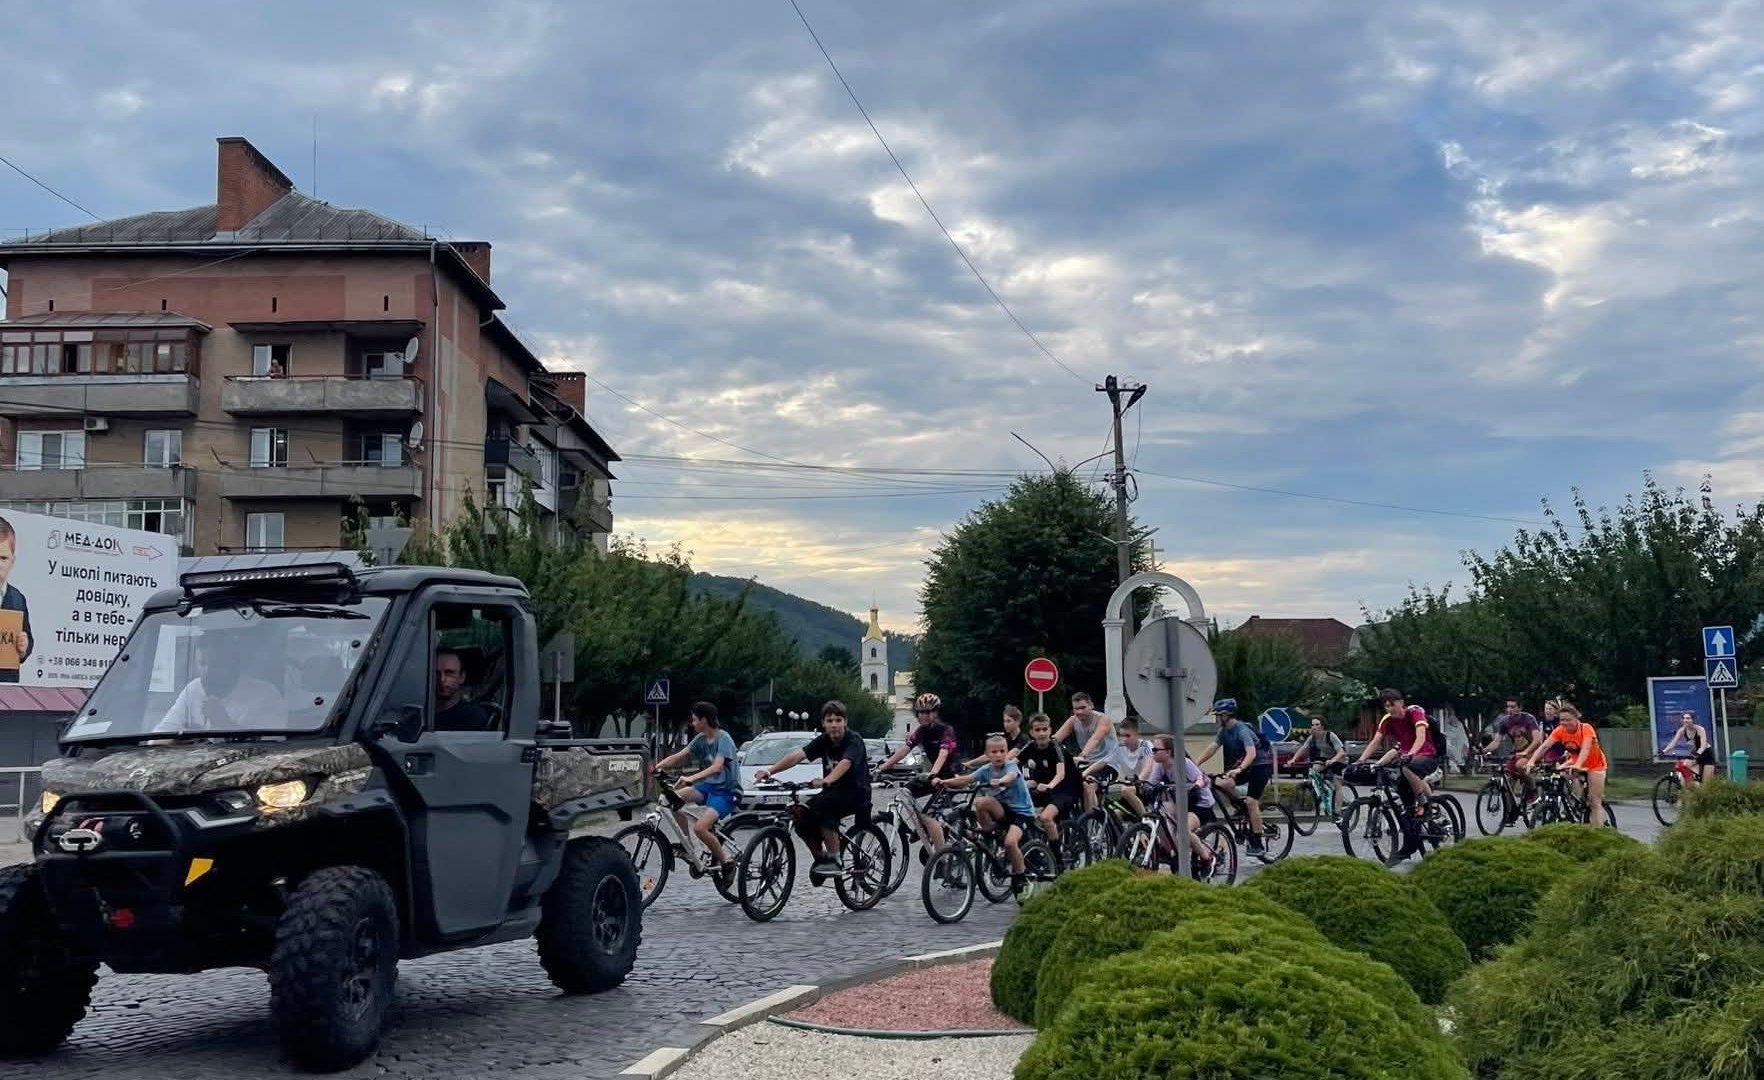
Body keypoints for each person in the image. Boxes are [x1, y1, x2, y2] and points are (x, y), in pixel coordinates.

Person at [757, 700, 871, 878]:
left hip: (856, 792)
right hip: (832, 791)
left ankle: (835, 859)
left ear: (845, 722)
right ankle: (821, 857)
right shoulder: (823, 741)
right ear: (823, 723)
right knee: (800, 814)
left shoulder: (853, 740)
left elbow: (846, 763)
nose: (834, 725)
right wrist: (769, 771)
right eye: (830, 721)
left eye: (838, 720)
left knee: (825, 806)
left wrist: (826, 780)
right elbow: (796, 756)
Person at [650, 701, 741, 878]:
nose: (692, 723)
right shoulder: (700, 739)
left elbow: (717, 767)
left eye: (694, 719)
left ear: (704, 720)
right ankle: (687, 846)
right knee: (671, 799)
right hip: (709, 787)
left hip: (727, 792)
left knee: (700, 829)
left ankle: (726, 862)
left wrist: (691, 778)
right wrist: (657, 767)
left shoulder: (724, 739)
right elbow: (679, 756)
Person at [935, 733, 1034, 894]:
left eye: (1002, 751)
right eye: (994, 752)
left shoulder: (1010, 766)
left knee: (1010, 843)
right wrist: (944, 782)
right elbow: (966, 779)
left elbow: (1011, 776)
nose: (999, 755)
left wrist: (1001, 781)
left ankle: (1021, 877)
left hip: (1021, 813)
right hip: (1002, 809)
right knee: (980, 802)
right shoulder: (986, 769)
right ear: (987, 755)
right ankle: (990, 833)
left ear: (1006, 752)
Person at [1357, 689, 1438, 855]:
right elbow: (1375, 742)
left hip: (1427, 755)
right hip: (1407, 757)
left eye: (1392, 704)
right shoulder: (1387, 720)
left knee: (1408, 767)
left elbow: (1421, 737)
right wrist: (1361, 760)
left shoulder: (1414, 713)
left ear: (1401, 703)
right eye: (1386, 706)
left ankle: (1424, 803)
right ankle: (1410, 844)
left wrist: (1411, 754)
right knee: (1405, 802)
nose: (1389, 709)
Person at [878, 691, 959, 857]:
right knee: (905, 791)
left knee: (929, 817)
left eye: (928, 712)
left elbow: (943, 754)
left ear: (935, 713)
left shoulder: (946, 730)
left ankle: (941, 858)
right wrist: (883, 767)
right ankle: (920, 827)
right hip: (933, 777)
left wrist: (933, 773)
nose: (923, 716)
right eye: (920, 712)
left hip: (950, 778)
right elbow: (904, 749)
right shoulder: (921, 731)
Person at [155, 634, 288, 732]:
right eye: (202, 664)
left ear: (233, 663)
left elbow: (274, 745)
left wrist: (224, 722)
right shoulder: (192, 690)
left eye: (216, 665)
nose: (207, 673)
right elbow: (161, 733)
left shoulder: (266, 695)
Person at [1193, 697, 1271, 855]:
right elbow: (1212, 748)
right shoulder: (1223, 731)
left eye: (1217, 716)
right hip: (1245, 766)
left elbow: (1251, 753)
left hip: (1260, 766)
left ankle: (1257, 843)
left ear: (1225, 715)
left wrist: (1239, 769)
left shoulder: (1241, 730)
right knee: (1223, 783)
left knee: (1251, 802)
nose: (1215, 719)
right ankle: (1242, 808)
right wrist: (1194, 764)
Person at [1142, 735, 1217, 875]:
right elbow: (1151, 783)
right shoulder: (1160, 765)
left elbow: (1202, 778)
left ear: (1168, 752)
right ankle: (1174, 853)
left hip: (1200, 805)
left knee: (1182, 831)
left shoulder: (1184, 763)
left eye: (1156, 749)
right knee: (1161, 818)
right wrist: (1143, 787)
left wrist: (1196, 785)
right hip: (1180, 803)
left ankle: (1206, 859)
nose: (1153, 752)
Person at [1525, 703, 1609, 827]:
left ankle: (1598, 830)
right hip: (1574, 761)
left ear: (1576, 718)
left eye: (1568, 720)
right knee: (1559, 773)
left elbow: (1585, 749)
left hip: (1594, 764)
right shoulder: (1560, 730)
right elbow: (1544, 747)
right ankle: (1572, 802)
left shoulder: (1586, 728)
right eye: (1562, 720)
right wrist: (1532, 761)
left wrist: (1578, 764)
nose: (1564, 723)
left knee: (1594, 801)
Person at [1018, 712, 1081, 846]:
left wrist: (1049, 785)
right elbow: (1013, 764)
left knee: (1046, 817)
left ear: (1050, 730)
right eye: (1037, 730)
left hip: (1064, 789)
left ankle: (1055, 854)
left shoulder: (1055, 747)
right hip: (1043, 788)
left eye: (1045, 729)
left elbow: (1060, 774)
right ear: (1031, 732)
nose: (1041, 733)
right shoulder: (1030, 746)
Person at [1051, 692, 1118, 811]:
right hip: (1087, 764)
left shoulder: (1103, 719)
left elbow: (1095, 739)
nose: (1079, 712)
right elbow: (1055, 740)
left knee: (1088, 785)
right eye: (1076, 709)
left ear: (1091, 705)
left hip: (1108, 763)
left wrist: (1082, 755)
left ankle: (1093, 819)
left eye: (1083, 707)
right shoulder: (1073, 720)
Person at [1083, 715, 1151, 819]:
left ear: (1137, 734)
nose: (1124, 740)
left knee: (1125, 790)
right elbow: (1103, 761)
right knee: (1115, 816)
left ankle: (1146, 820)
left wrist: (1138, 779)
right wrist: (1085, 772)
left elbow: (1148, 767)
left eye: (1128, 736)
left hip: (1146, 786)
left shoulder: (1146, 746)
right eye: (1122, 736)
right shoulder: (1120, 747)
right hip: (1132, 787)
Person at [1481, 697, 1542, 807]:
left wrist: (1526, 752)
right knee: (1507, 779)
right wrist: (1484, 750)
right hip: (1517, 752)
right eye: (1508, 707)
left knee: (1520, 765)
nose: (1510, 710)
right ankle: (1510, 810)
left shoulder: (1528, 719)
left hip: (1533, 751)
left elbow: (1537, 740)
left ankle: (1532, 790)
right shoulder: (1505, 722)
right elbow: (1497, 741)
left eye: (1513, 707)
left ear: (1520, 708)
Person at [1287, 715, 1348, 817]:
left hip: (1338, 759)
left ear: (1322, 726)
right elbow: (1303, 748)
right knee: (1314, 769)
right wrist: (1293, 759)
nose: (1314, 727)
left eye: (1317, 724)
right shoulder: (1312, 738)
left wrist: (1333, 760)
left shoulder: (1330, 735)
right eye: (1312, 725)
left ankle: (1338, 811)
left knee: (1337, 783)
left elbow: (1341, 752)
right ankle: (1325, 790)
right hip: (1325, 759)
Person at [0, 516, 32, 684]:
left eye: (3, 558)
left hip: (6, 685)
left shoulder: (18, 599)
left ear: (12, 561)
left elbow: (28, 637)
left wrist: (24, 647)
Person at [433, 648, 490, 731]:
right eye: (436, 673)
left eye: (449, 673)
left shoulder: (473, 718)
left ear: (462, 677)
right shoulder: (419, 713)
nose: (442, 679)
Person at [1662, 710, 1716, 784]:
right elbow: (1673, 743)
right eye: (1684, 718)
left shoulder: (1700, 729)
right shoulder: (1682, 730)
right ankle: (1689, 786)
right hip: (1695, 754)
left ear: (1693, 720)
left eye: (1688, 718)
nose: (1685, 720)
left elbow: (1703, 746)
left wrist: (1695, 755)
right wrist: (1663, 751)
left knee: (1707, 782)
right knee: (1683, 767)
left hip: (1706, 754)